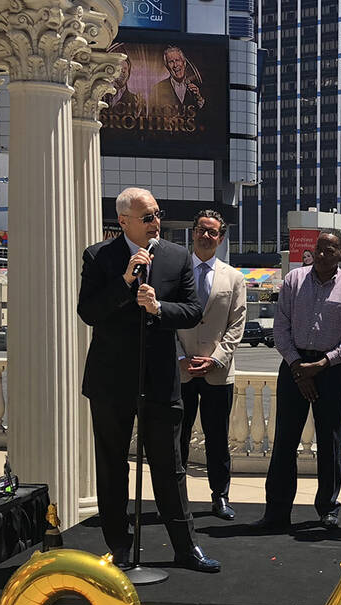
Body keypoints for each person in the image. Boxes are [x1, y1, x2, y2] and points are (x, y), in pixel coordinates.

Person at [77, 187, 220, 573]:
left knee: (169, 465)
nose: (156, 222)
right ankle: (120, 545)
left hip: (158, 378)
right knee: (111, 466)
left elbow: (192, 310)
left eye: (158, 214)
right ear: (123, 221)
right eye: (148, 217)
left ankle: (185, 546)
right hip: (110, 379)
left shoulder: (176, 257)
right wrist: (124, 283)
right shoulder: (98, 256)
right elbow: (88, 311)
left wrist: (159, 308)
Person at [251, 230, 341, 531]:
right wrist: (298, 365)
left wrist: (323, 363)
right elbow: (281, 328)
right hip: (294, 366)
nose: (323, 253)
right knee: (285, 441)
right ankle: (276, 510)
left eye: (331, 249)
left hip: (332, 368)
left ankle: (328, 508)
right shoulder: (293, 280)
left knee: (329, 442)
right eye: (319, 248)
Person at [177, 210, 246, 521]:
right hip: (181, 370)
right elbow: (162, 319)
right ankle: (175, 500)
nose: (206, 236)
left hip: (218, 372)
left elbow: (237, 324)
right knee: (176, 439)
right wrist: (181, 357)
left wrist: (216, 358)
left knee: (218, 440)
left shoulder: (234, 277)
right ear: (193, 233)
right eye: (201, 230)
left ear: (221, 237)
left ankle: (220, 497)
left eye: (213, 232)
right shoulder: (174, 273)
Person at [150, 46, 205, 117]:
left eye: (177, 60)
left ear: (184, 63)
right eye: (171, 62)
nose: (175, 65)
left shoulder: (198, 86)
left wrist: (199, 99)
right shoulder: (157, 89)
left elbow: (207, 117)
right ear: (167, 66)